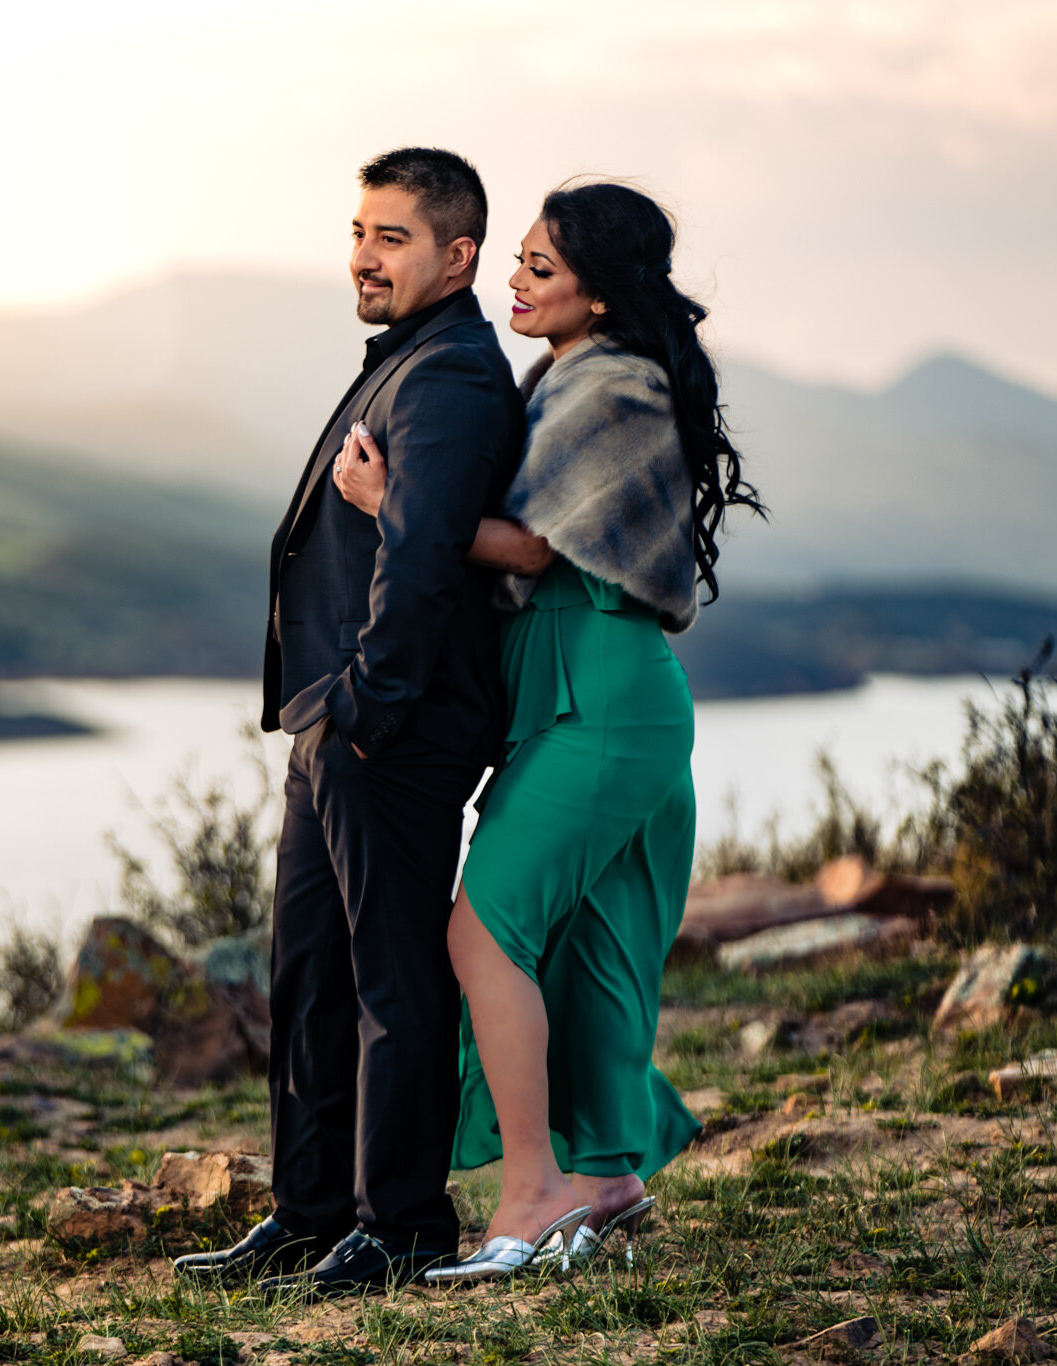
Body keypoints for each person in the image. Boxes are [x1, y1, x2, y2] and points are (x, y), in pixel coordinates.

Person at [330, 181, 762, 1283]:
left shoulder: (606, 387)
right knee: (593, 948)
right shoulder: (572, 375)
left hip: (599, 687)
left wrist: (394, 512)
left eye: (537, 268)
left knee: (481, 931)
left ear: (600, 292)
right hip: (588, 688)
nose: (514, 282)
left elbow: (529, 551)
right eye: (515, 262)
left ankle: (531, 1190)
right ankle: (606, 1179)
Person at [172, 147, 524, 1297]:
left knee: (389, 984)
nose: (362, 257)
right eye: (359, 232)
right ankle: (308, 1211)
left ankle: (403, 1222)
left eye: (390, 238)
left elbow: (421, 558)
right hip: (337, 725)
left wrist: (365, 707)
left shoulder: (452, 377)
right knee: (310, 978)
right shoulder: (406, 361)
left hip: (389, 728)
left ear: (454, 255)